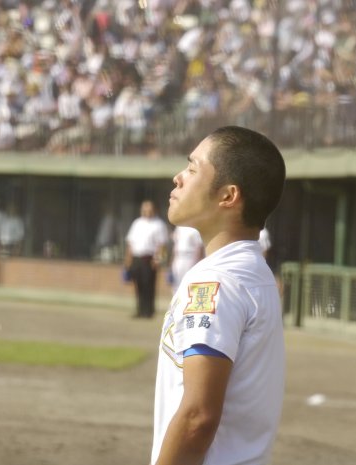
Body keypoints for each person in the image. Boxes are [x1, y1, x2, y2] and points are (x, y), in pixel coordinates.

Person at [151, 126, 286, 465]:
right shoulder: (251, 271)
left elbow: (197, 418)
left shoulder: (216, 280)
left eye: (193, 168)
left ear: (228, 196)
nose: (178, 177)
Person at [124, 199, 168, 318]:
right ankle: (140, 310)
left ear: (154, 210)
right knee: (138, 284)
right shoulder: (137, 223)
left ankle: (149, 311)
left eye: (149, 209)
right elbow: (130, 242)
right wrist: (128, 259)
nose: (147, 211)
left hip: (149, 259)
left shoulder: (159, 224)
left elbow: (162, 244)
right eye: (145, 209)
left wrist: (158, 259)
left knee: (149, 285)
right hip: (137, 258)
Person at [169, 225, 204, 291]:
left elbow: (199, 246)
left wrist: (198, 263)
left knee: (189, 282)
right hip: (178, 257)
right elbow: (175, 245)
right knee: (176, 283)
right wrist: (172, 262)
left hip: (190, 257)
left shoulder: (194, 228)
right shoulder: (179, 227)